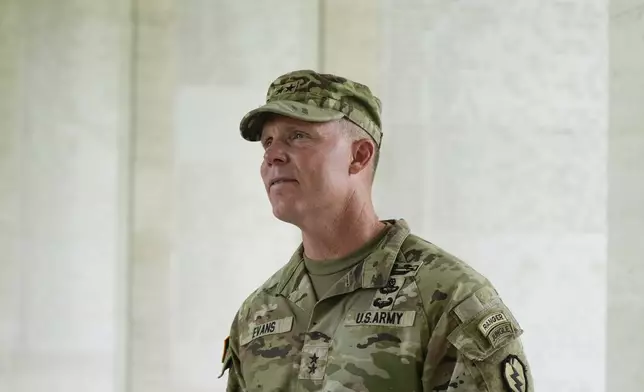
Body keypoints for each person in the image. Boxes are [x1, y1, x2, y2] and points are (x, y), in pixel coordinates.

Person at [220, 69, 533, 392]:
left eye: (298, 136)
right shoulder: (257, 314)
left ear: (359, 155)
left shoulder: (447, 297)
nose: (272, 155)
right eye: (267, 142)